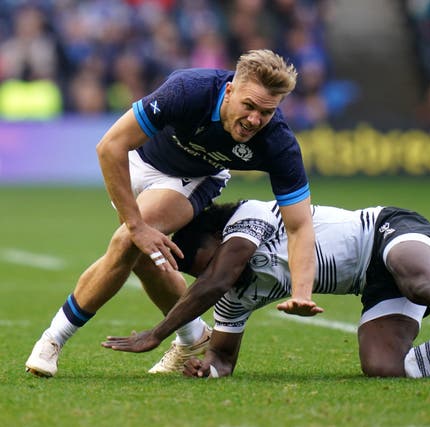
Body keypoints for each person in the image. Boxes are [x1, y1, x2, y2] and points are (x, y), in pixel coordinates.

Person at [25, 49, 321, 378]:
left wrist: (302, 294)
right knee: (142, 254)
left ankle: (52, 339)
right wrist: (137, 224)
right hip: (137, 162)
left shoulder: (278, 142)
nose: (254, 120)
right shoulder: (189, 90)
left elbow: (299, 224)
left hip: (196, 178)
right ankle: (194, 335)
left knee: (127, 242)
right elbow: (109, 147)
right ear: (230, 90)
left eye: (266, 112)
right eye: (249, 107)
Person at [102, 199, 430, 380]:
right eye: (198, 275)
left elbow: (216, 277)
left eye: (200, 262)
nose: (208, 277)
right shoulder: (234, 291)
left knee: (421, 285)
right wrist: (209, 370)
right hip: (370, 284)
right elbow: (223, 355)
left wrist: (156, 334)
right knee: (383, 366)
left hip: (388, 231)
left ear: (215, 239)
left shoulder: (250, 218)